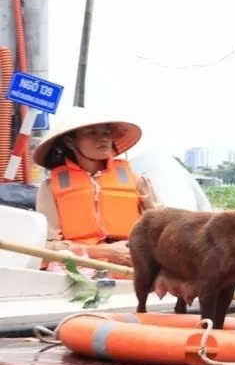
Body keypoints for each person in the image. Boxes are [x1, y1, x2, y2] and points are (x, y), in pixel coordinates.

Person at [32, 106, 159, 266]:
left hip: (130, 276)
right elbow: (46, 247)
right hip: (75, 276)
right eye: (91, 132)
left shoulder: (138, 182)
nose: (103, 139)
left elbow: (160, 232)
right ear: (69, 142)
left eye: (106, 133)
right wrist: (103, 252)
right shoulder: (50, 187)